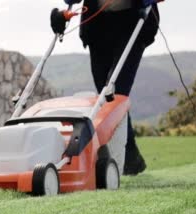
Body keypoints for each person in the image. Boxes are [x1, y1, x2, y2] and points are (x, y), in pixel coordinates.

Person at [63, 0, 161, 175]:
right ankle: (131, 157)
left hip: (133, 21)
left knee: (115, 92)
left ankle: (114, 159)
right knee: (105, 96)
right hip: (98, 26)